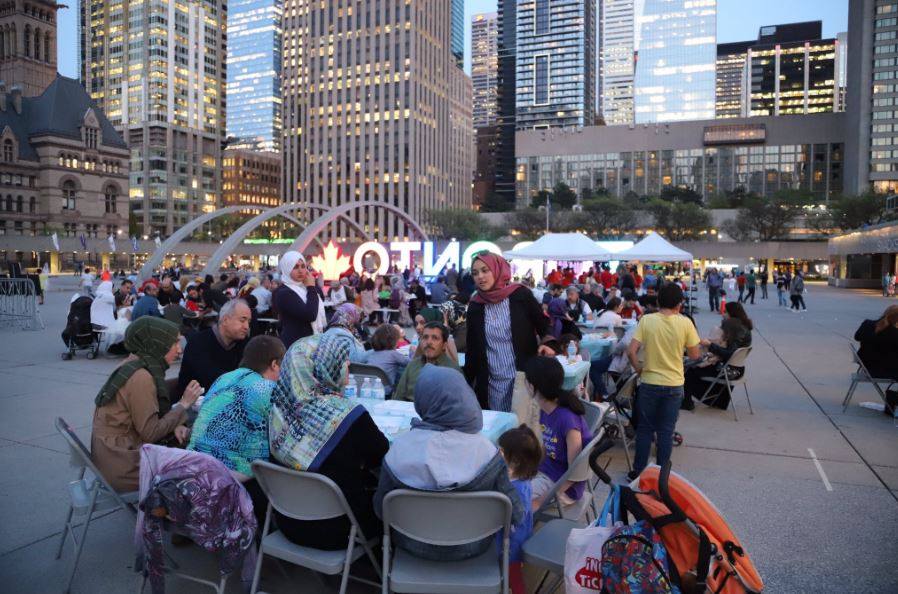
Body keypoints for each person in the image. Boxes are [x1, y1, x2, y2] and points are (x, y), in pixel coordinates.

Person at [374, 365, 524, 561]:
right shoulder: (487, 451)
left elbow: (381, 508)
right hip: (473, 546)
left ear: (422, 400)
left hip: (411, 544)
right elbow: (514, 512)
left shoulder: (398, 450)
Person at [269, 330, 389, 550]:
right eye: (342, 363)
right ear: (326, 369)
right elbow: (381, 453)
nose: (347, 367)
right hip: (341, 529)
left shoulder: (278, 411)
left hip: (287, 520)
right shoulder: (349, 416)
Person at [91, 317, 204, 491]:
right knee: (202, 466)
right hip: (124, 465)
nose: (179, 349)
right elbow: (151, 433)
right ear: (156, 344)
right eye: (174, 342)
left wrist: (176, 424)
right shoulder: (141, 377)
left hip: (111, 456)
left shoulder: (132, 364)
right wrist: (184, 404)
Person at [626, 283, 701, 479]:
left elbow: (631, 351)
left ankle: (638, 473)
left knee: (645, 430)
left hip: (649, 382)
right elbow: (695, 355)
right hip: (674, 384)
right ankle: (661, 476)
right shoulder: (685, 323)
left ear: (658, 301)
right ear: (679, 303)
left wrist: (639, 370)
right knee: (666, 432)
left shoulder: (647, 320)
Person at [188, 335, 285, 479]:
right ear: (274, 364)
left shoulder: (224, 378)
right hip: (233, 476)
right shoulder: (268, 388)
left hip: (194, 464)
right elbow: (283, 438)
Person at [464, 253, 551, 411]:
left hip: (523, 378)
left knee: (522, 423)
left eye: (485, 270)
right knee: (497, 423)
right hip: (491, 383)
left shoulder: (520, 295)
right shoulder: (475, 305)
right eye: (475, 273)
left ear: (497, 270)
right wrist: (465, 381)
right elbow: (472, 347)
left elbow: (543, 323)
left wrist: (548, 344)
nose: (480, 277)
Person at [525, 356, 593, 511]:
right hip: (548, 473)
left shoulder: (567, 419)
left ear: (532, 386)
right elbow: (547, 445)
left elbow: (575, 472)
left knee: (513, 498)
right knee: (510, 483)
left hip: (564, 488)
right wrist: (531, 468)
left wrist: (540, 501)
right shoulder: (546, 408)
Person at [496, 425, 541, 594]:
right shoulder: (521, 478)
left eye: (501, 451)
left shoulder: (517, 489)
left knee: (513, 576)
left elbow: (517, 517)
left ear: (515, 460)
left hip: (511, 543)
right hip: (515, 537)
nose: (497, 453)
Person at [683, 302, 753, 410]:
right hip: (737, 369)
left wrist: (710, 345)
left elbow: (729, 353)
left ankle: (687, 403)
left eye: (725, 312)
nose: (723, 314)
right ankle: (718, 401)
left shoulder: (735, 328)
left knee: (690, 369)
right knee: (698, 364)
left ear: (731, 314)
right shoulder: (744, 326)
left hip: (727, 371)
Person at [177, 299, 251, 395]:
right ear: (225, 320)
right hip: (194, 400)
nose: (246, 326)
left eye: (249, 322)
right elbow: (212, 379)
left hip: (228, 398)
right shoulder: (199, 342)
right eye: (242, 320)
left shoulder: (243, 343)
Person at [393, 322, 460, 401]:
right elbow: (398, 397)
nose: (429, 342)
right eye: (425, 337)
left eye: (435, 338)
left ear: (444, 345)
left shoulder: (453, 370)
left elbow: (457, 403)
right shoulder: (413, 365)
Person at [273, 251, 326, 347]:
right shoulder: (284, 293)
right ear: (287, 269)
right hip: (295, 345)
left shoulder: (304, 286)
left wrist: (312, 285)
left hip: (311, 342)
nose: (301, 271)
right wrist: (311, 287)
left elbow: (321, 299)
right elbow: (310, 315)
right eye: (295, 267)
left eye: (303, 266)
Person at [359, 324, 409, 396]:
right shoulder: (393, 354)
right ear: (394, 341)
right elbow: (411, 363)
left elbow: (358, 362)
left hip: (367, 389)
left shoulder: (370, 353)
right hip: (385, 391)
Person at [854, 305, 898, 381]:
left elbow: (856, 337)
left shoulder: (867, 323)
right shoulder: (894, 333)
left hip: (865, 365)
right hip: (879, 370)